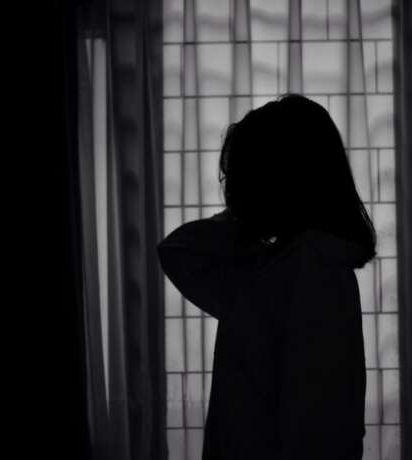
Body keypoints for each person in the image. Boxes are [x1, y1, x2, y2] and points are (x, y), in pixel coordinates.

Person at [157, 93, 377, 460]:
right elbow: (177, 250)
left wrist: (241, 222)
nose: (232, 190)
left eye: (244, 175)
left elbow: (313, 423)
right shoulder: (276, 266)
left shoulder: (307, 270)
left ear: (274, 180)